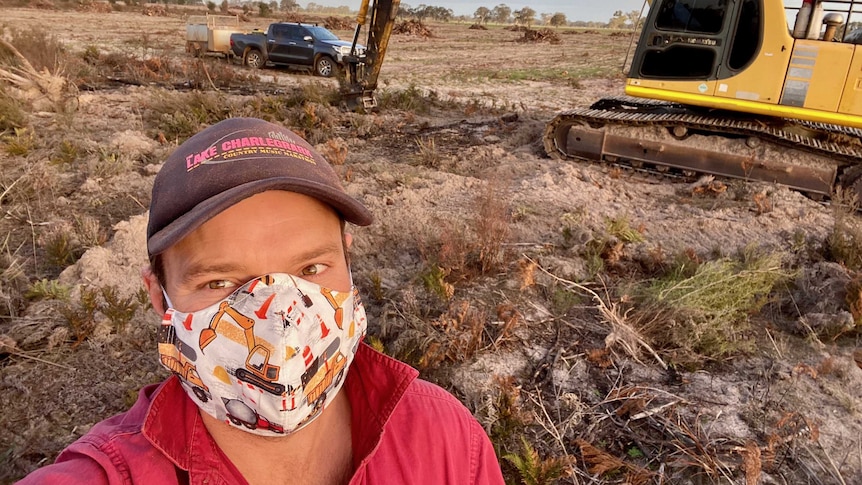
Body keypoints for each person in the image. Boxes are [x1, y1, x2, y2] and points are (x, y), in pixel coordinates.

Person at [19, 117, 505, 484]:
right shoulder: (110, 474)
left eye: (311, 270)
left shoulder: (446, 440)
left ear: (348, 265)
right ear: (159, 297)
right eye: (221, 283)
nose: (279, 321)